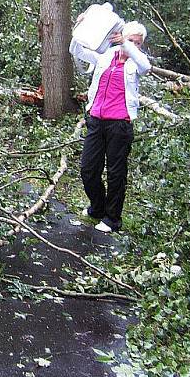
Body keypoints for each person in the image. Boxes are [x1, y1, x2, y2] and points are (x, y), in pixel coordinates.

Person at [69, 20, 151, 233]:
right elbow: (77, 50)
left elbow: (147, 67)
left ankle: (112, 218)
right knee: (88, 168)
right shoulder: (106, 56)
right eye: (129, 39)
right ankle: (97, 208)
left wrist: (127, 44)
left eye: (137, 42)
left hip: (120, 124)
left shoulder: (136, 62)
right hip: (96, 120)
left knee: (116, 172)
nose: (133, 44)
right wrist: (80, 30)